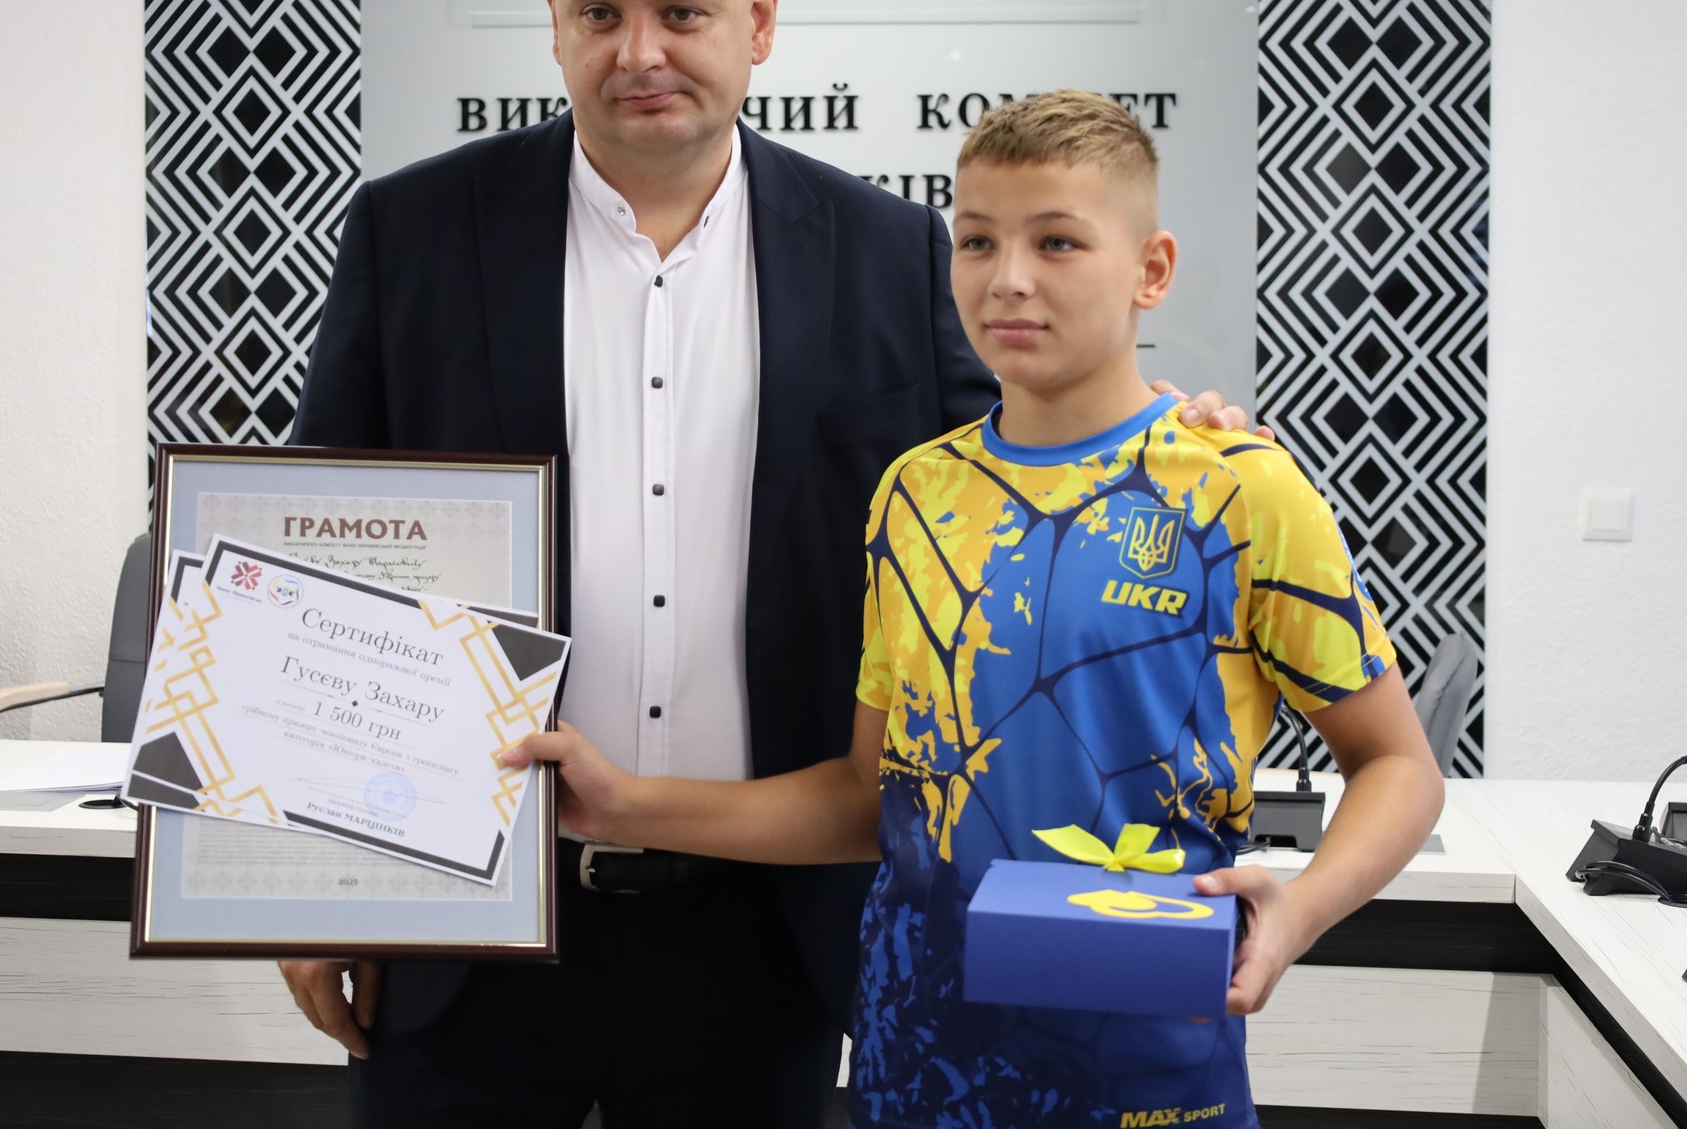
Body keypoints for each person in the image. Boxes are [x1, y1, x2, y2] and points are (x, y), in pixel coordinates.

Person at [280, 0, 1257, 1128]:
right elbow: (320, 568)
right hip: (469, 913)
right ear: (555, 22)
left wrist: (1154, 449)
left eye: (680, 12)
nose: (639, 51)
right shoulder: (411, 232)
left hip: (767, 939)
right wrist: (306, 882)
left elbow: (1016, 485)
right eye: (599, 12)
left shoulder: (888, 251)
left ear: (758, 20)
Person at [505, 90, 1445, 1128]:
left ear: (1151, 270)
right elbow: (868, 797)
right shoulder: (913, 494)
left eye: (1057, 242)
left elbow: (1398, 765)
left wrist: (1300, 906)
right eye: (978, 240)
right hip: (916, 1067)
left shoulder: (1239, 487)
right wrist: (625, 804)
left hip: (1147, 1070)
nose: (1008, 279)